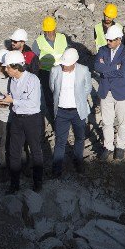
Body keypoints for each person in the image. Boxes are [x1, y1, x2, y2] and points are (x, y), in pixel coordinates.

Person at [1, 51, 45, 193]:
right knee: (14, 152)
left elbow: (33, 103)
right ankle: (14, 184)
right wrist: (1, 99)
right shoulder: (12, 80)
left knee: (35, 150)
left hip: (32, 119)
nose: (5, 70)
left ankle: (38, 183)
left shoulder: (32, 80)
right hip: (17, 118)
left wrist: (13, 101)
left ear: (16, 67)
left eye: (7, 67)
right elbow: (14, 99)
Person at [94, 24, 125, 160]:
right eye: (107, 40)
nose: (108, 42)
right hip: (106, 91)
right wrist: (114, 67)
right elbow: (97, 67)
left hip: (122, 92)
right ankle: (108, 146)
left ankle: (121, 146)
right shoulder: (102, 50)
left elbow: (123, 72)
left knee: (123, 122)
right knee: (107, 122)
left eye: (111, 40)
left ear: (119, 39)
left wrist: (106, 68)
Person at [49, 48, 90, 177]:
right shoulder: (55, 70)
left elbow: (87, 88)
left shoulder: (83, 70)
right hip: (61, 111)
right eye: (63, 64)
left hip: (78, 111)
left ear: (74, 62)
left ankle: (78, 161)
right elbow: (52, 88)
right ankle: (57, 169)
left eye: (67, 64)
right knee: (60, 140)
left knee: (80, 137)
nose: (64, 67)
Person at [33, 16, 67, 119]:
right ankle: (54, 118)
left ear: (55, 28)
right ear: (44, 30)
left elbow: (67, 53)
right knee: (49, 98)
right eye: (47, 31)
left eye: (51, 30)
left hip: (62, 70)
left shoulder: (62, 38)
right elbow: (35, 61)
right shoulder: (38, 42)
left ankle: (64, 116)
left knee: (63, 94)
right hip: (46, 73)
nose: (49, 33)